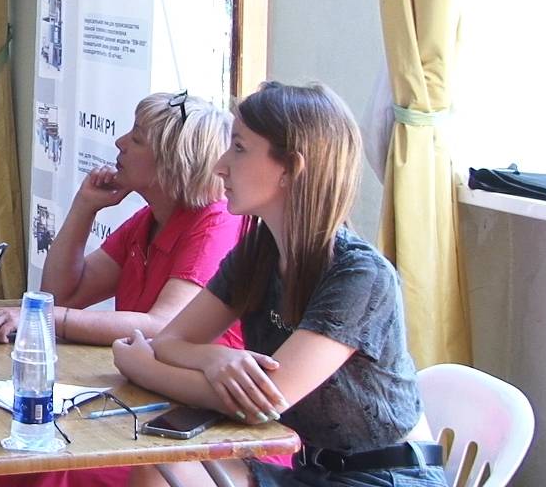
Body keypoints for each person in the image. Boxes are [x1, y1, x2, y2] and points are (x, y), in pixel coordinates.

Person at [112, 82, 446, 487]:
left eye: (238, 148)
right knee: (158, 467)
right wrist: (214, 358)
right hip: (311, 471)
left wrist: (141, 368)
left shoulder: (360, 275)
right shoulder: (259, 251)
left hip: (385, 477)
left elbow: (263, 402)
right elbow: (169, 340)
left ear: (290, 168)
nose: (220, 166)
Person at [0, 91, 246, 349]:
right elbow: (62, 297)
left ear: (173, 162)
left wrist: (44, 316)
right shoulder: (148, 221)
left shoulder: (217, 224)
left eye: (136, 139)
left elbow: (164, 326)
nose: (120, 143)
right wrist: (84, 207)